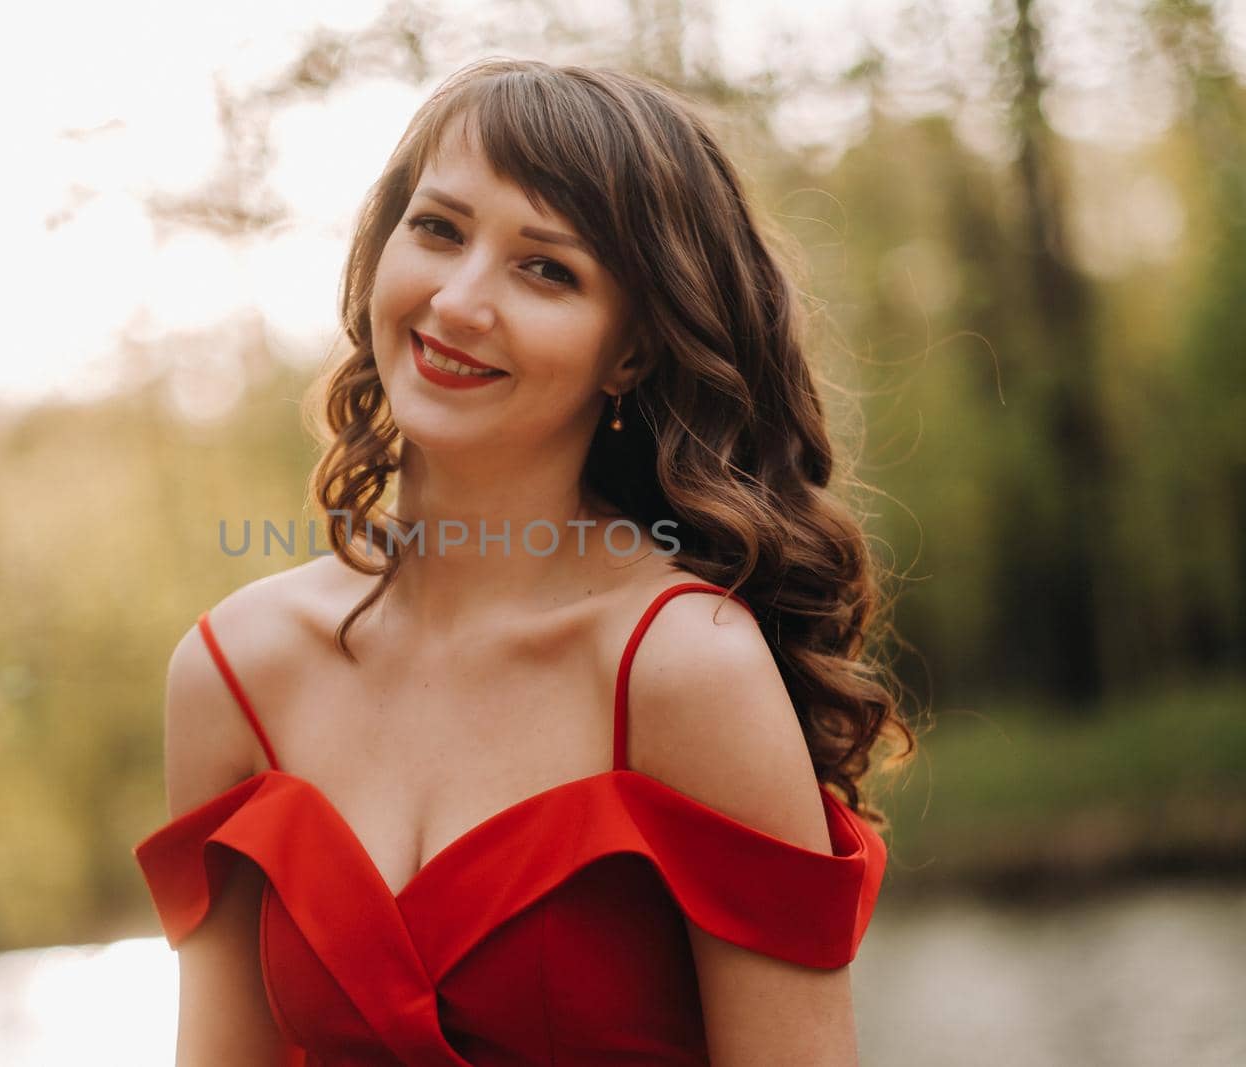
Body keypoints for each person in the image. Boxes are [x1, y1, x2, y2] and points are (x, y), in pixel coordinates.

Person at [135, 57, 915, 1066]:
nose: (459, 302)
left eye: (544, 267)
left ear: (629, 352)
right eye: (439, 229)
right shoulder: (231, 673)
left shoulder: (683, 667)